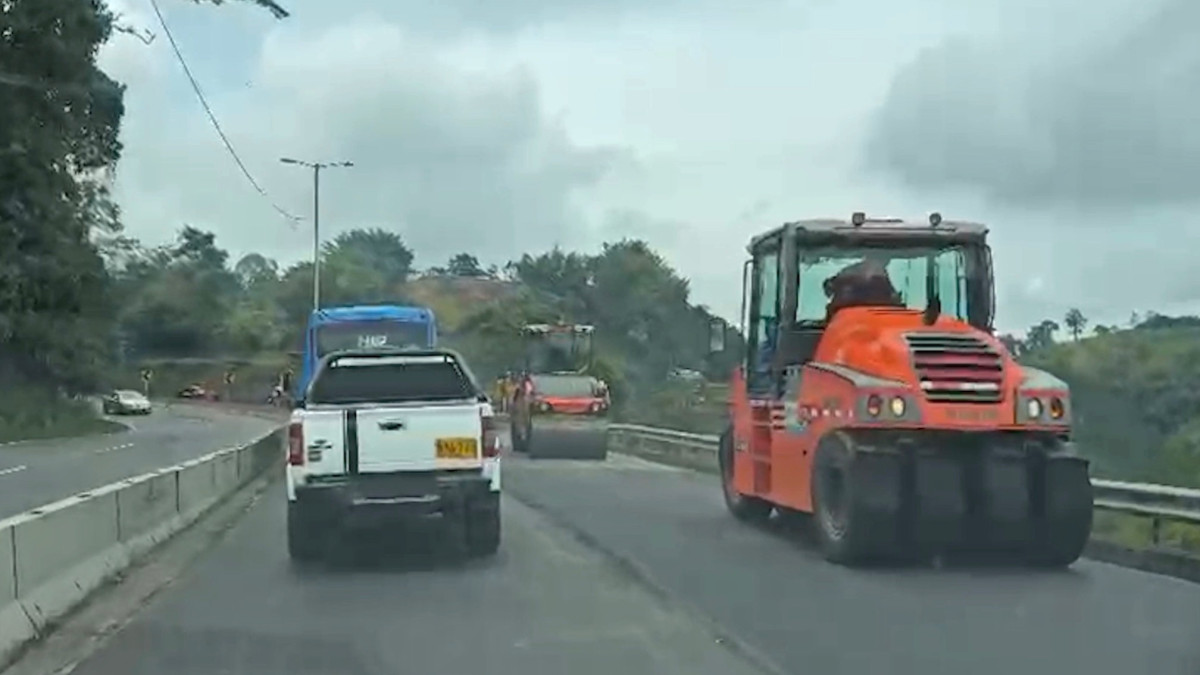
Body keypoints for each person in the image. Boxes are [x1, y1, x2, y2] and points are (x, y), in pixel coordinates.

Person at [824, 257, 903, 321]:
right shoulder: (849, 273)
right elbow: (831, 289)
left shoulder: (882, 275)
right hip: (847, 320)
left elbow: (891, 297)